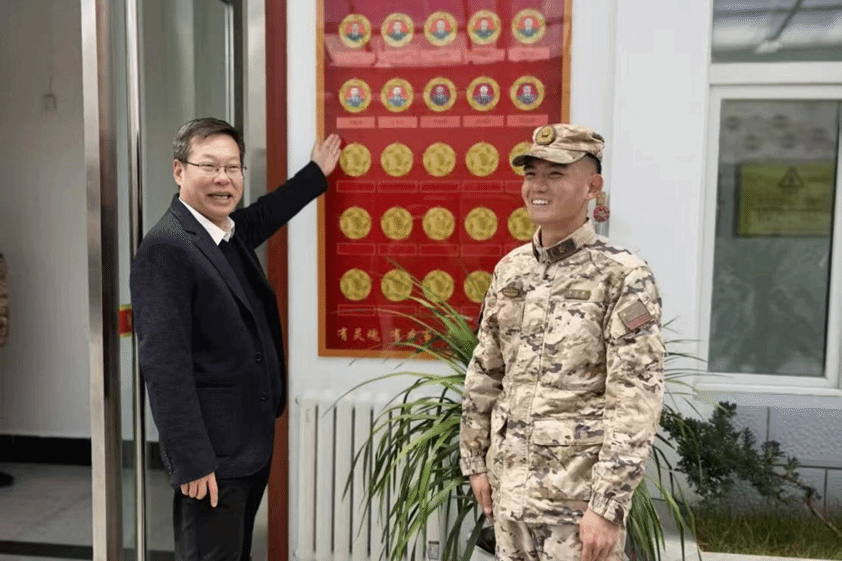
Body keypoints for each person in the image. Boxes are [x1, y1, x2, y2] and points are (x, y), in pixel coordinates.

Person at [130, 118, 341, 561]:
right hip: (211, 457)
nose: (223, 179)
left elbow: (266, 212)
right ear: (178, 171)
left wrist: (315, 174)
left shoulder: (223, 231)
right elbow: (164, 364)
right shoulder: (167, 247)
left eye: (233, 167)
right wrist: (191, 460)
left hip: (246, 446)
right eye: (209, 166)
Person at [460, 123, 665, 561]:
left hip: (577, 506)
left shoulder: (622, 275)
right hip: (510, 494)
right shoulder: (511, 271)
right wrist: (476, 462)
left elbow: (635, 397)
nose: (538, 186)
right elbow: (486, 372)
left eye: (556, 174)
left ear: (592, 186)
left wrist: (607, 507)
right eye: (531, 173)